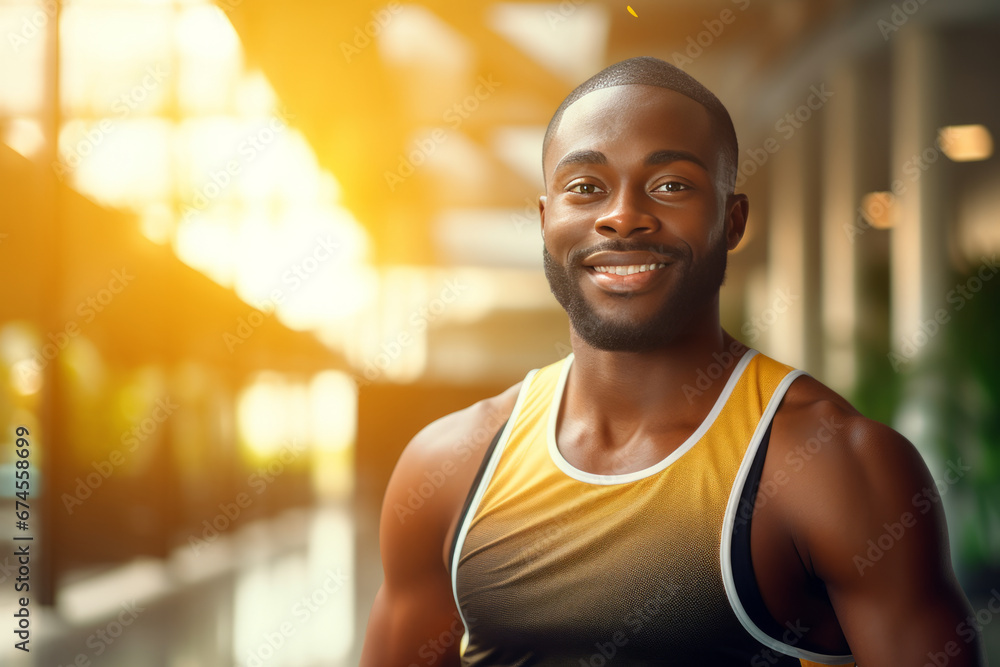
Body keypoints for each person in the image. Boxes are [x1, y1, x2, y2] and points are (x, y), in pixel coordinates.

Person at [359, 56, 984, 666]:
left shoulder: (832, 465)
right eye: (586, 188)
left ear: (731, 220)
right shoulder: (449, 465)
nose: (623, 216)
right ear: (546, 221)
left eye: (670, 185)